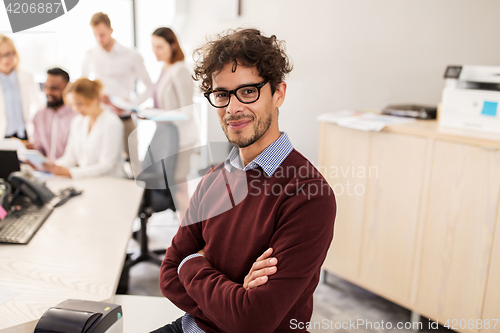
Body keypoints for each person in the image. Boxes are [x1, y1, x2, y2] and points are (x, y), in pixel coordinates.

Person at [154, 29, 336, 333]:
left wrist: (193, 264)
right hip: (190, 328)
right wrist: (234, 298)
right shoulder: (213, 180)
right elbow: (168, 276)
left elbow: (252, 320)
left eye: (248, 91)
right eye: (222, 94)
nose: (233, 108)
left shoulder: (309, 195)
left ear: (278, 93)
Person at [82, 12, 153, 159]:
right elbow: (83, 86)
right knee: (102, 161)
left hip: (124, 117)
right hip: (101, 118)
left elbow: (150, 87)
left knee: (133, 163)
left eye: (102, 34)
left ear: (111, 31)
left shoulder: (131, 55)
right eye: (95, 35)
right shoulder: (90, 55)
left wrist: (131, 104)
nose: (99, 39)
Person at [150, 27, 198, 219]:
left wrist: (156, 115)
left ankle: (188, 232)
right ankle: (185, 229)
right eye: (153, 46)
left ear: (172, 46)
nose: (155, 51)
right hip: (167, 136)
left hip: (181, 138)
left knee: (179, 186)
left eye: (160, 46)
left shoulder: (179, 70)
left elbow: (186, 110)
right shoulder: (165, 69)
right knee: (175, 185)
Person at [43, 78, 125, 179]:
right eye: (72, 105)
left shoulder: (111, 123)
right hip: (87, 180)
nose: (75, 109)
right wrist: (54, 166)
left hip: (111, 180)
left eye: (79, 104)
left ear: (94, 99)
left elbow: (107, 165)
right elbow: (70, 157)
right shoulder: (78, 121)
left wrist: (70, 173)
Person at [0, 34, 41, 141]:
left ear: (15, 53)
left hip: (24, 136)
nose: (5, 60)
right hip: (2, 137)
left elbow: (38, 106)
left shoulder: (27, 77)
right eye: (0, 55)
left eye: (8, 54)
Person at [32, 68, 76, 160]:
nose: (48, 92)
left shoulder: (77, 116)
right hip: (44, 171)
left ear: (67, 88)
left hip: (70, 171)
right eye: (45, 87)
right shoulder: (39, 116)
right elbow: (38, 149)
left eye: (54, 88)